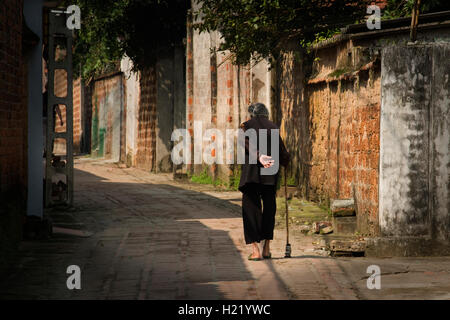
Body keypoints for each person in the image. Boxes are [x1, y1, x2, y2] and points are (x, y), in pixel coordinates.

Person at [238, 102, 290, 261]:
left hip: (251, 174)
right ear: (266, 114)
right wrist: (286, 161)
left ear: (251, 114)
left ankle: (255, 251)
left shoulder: (245, 126)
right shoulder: (273, 127)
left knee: (251, 208)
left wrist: (259, 156)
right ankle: (266, 248)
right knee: (269, 208)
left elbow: (244, 142)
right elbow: (284, 155)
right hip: (270, 172)